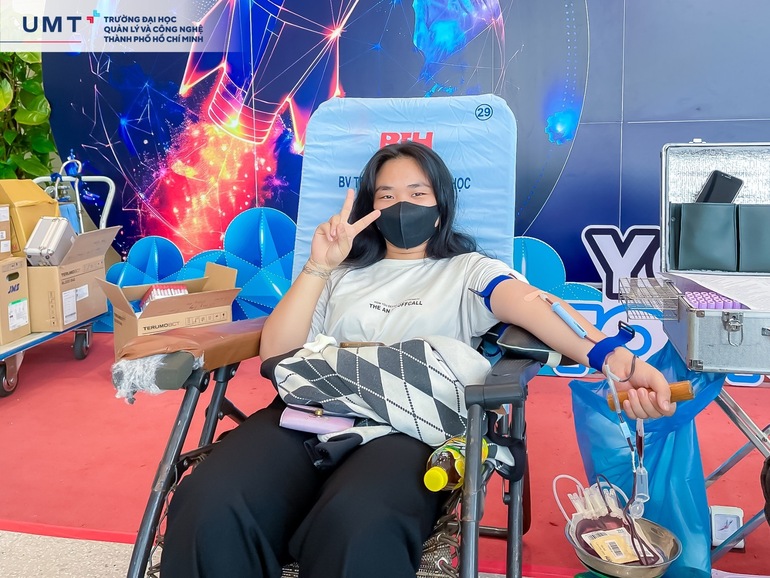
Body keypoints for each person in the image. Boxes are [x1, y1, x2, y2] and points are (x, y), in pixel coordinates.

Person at [160, 141, 676, 578]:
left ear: (441, 205)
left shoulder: (468, 270)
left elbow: (537, 307)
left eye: (417, 193)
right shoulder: (340, 274)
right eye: (386, 196)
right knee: (211, 501)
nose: (401, 205)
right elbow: (278, 355)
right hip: (310, 412)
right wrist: (318, 266)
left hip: (409, 426)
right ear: (369, 208)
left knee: (359, 522)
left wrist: (617, 360)